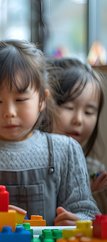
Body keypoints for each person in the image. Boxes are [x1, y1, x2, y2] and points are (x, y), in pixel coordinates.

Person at [0, 40, 99, 226]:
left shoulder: (66, 150)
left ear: (42, 99)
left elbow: (87, 211)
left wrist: (79, 221)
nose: (9, 111)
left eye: (20, 99)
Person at [47, 57, 107, 213]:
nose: (78, 120)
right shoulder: (32, 166)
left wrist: (93, 197)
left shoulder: (94, 170)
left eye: (88, 112)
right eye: (68, 107)